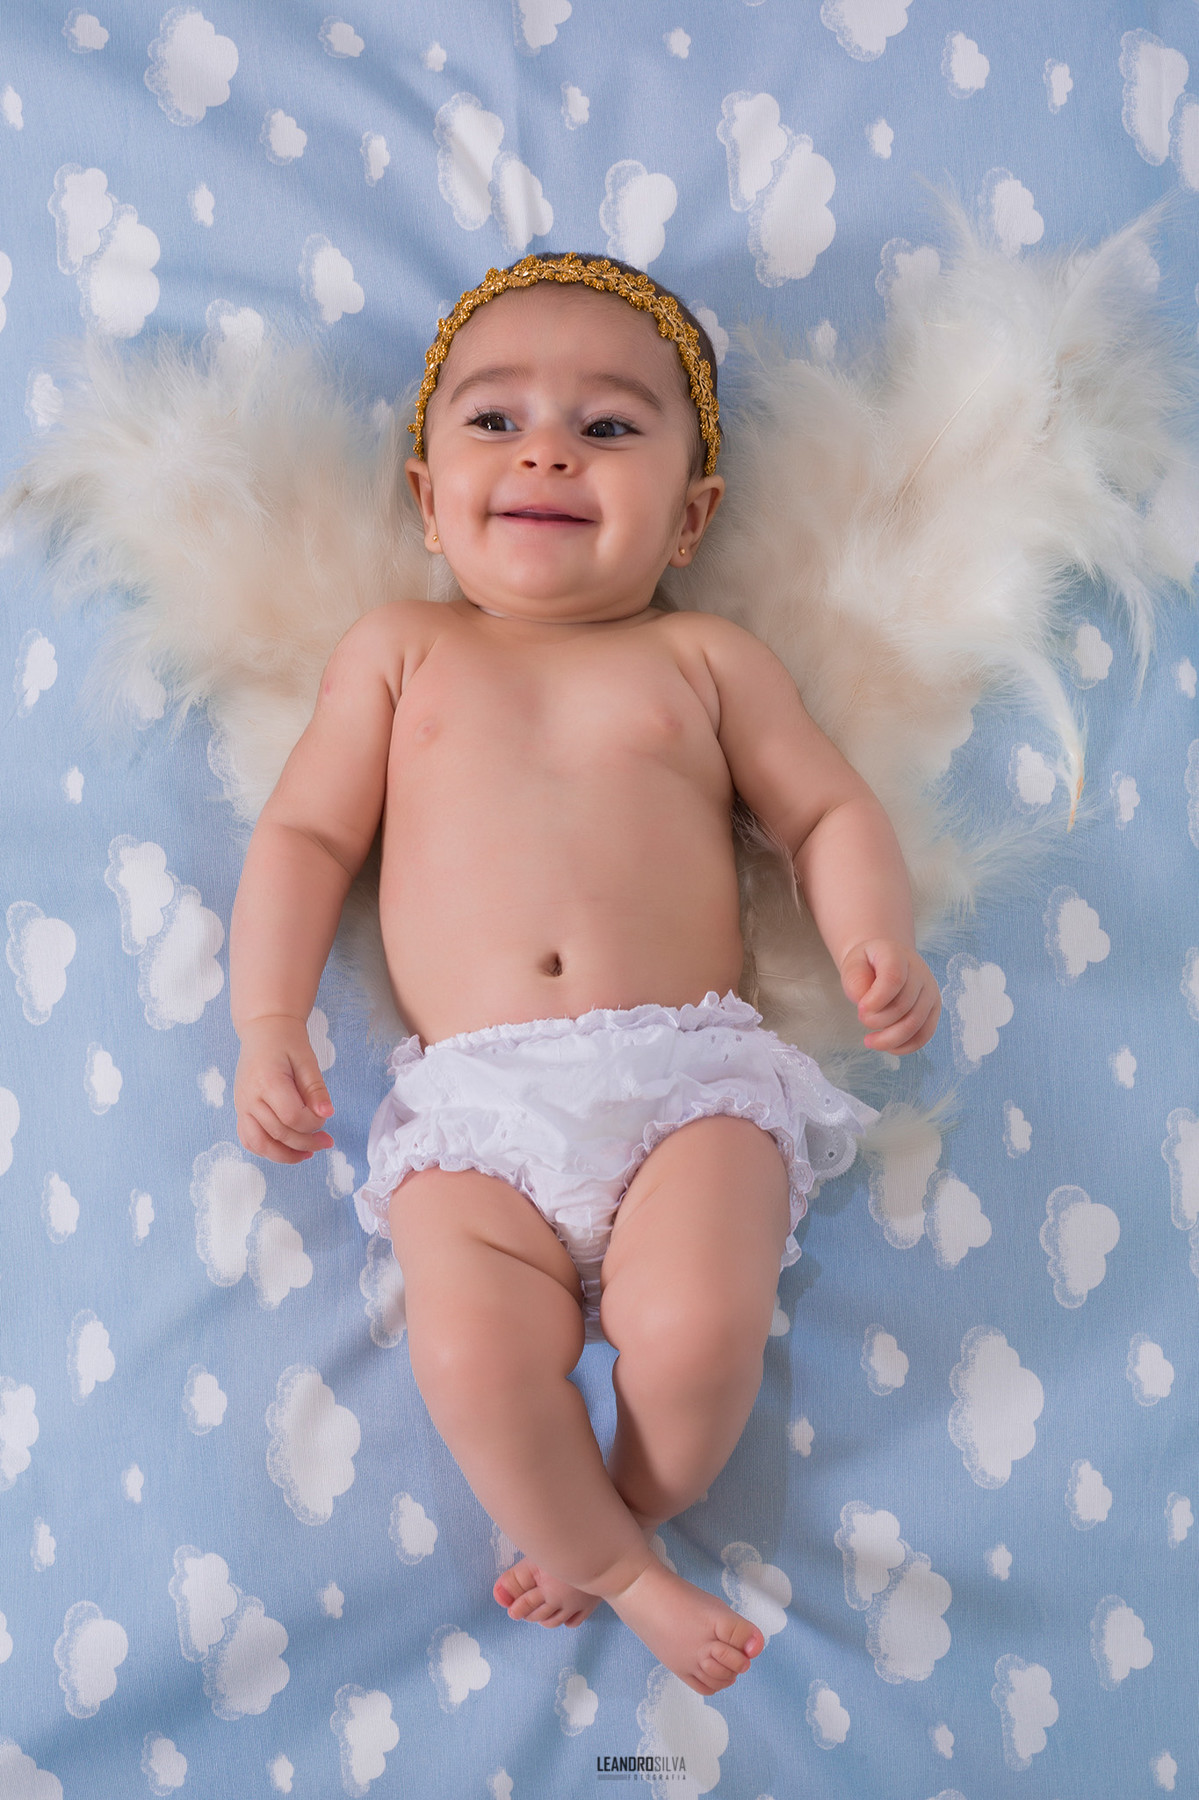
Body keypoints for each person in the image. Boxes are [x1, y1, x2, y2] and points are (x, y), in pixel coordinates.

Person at [230, 252, 941, 1696]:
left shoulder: (705, 660)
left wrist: (876, 932)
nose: (548, 449)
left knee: (699, 1334)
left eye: (609, 427)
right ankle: (624, 1572)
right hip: (478, 1117)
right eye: (495, 420)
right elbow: (305, 835)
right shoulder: (403, 653)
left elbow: (824, 810)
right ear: (426, 497)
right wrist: (267, 1016)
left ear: (692, 516)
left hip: (689, 1086)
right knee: (471, 1357)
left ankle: (614, 1511)